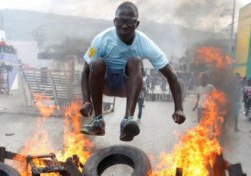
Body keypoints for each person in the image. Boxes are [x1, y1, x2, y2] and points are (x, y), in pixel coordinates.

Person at [79, 1, 186, 141]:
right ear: (114, 21)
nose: (125, 25)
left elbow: (172, 77)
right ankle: (98, 120)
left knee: (135, 61)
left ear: (137, 24)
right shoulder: (101, 39)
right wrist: (87, 101)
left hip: (127, 87)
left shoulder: (145, 43)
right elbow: (85, 72)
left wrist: (179, 108)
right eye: (121, 20)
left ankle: (127, 120)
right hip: (105, 85)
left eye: (130, 21)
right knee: (96, 63)